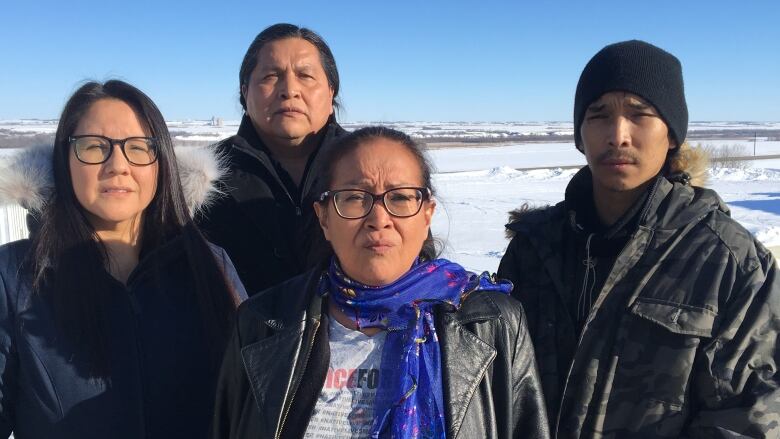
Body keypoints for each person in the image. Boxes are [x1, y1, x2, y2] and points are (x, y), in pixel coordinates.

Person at [498, 40, 780, 437]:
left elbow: (747, 418)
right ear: (580, 134)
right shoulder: (532, 247)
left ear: (672, 135)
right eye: (598, 115)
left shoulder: (727, 261)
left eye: (639, 114)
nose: (618, 135)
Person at [212, 127, 550, 439]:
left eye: (400, 198)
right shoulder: (263, 324)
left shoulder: (490, 323)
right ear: (324, 218)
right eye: (355, 197)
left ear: (426, 214)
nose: (379, 220)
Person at [0, 80, 247, 438]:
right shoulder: (15, 276)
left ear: (159, 163)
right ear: (63, 160)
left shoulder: (208, 264)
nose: (118, 165)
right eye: (94, 147)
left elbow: (250, 399)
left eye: (139, 147)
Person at [196, 23, 346, 296]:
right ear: (244, 90)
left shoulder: (372, 168)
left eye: (305, 75)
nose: (290, 90)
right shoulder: (201, 181)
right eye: (270, 76)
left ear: (331, 90)